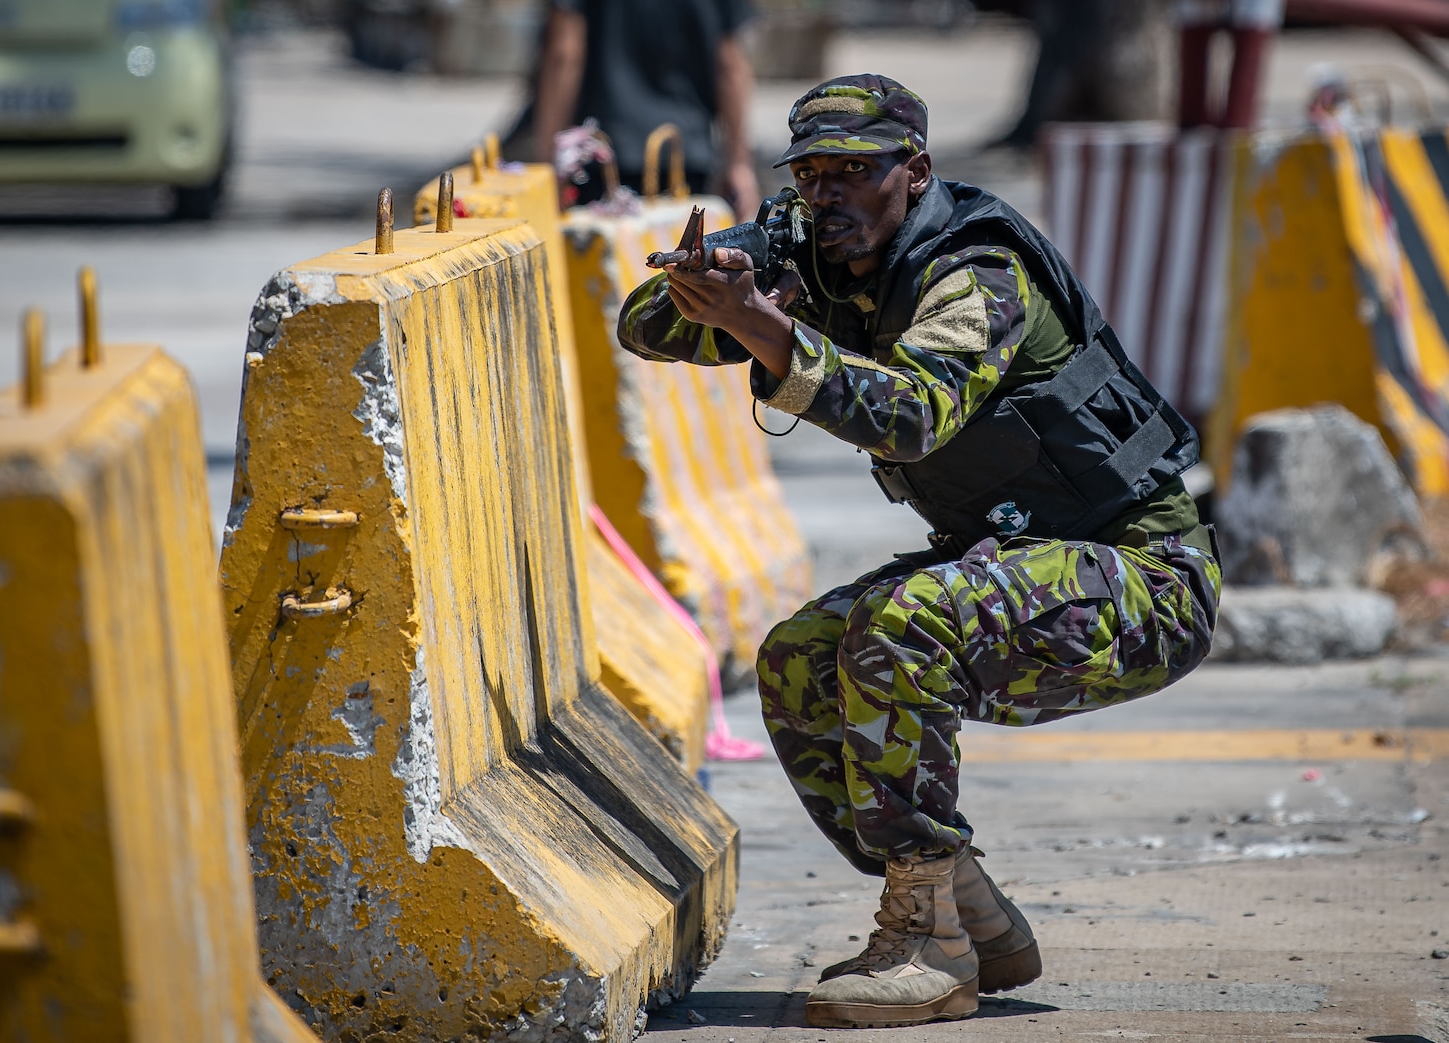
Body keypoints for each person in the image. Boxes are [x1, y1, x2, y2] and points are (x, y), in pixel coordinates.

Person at [616, 74, 1220, 1028]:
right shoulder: (810, 254)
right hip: (1017, 563)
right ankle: (962, 906)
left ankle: (927, 946)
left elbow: (909, 416)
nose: (830, 197)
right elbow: (641, 328)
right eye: (813, 176)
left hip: (1142, 577)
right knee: (803, 657)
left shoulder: (976, 271)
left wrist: (762, 325)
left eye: (855, 173)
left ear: (916, 172)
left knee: (903, 626)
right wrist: (719, 276)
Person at [518, 0, 759, 217]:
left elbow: (565, 53)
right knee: (678, 261)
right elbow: (729, 63)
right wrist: (738, 162)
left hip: (602, 159)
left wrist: (550, 160)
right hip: (684, 158)